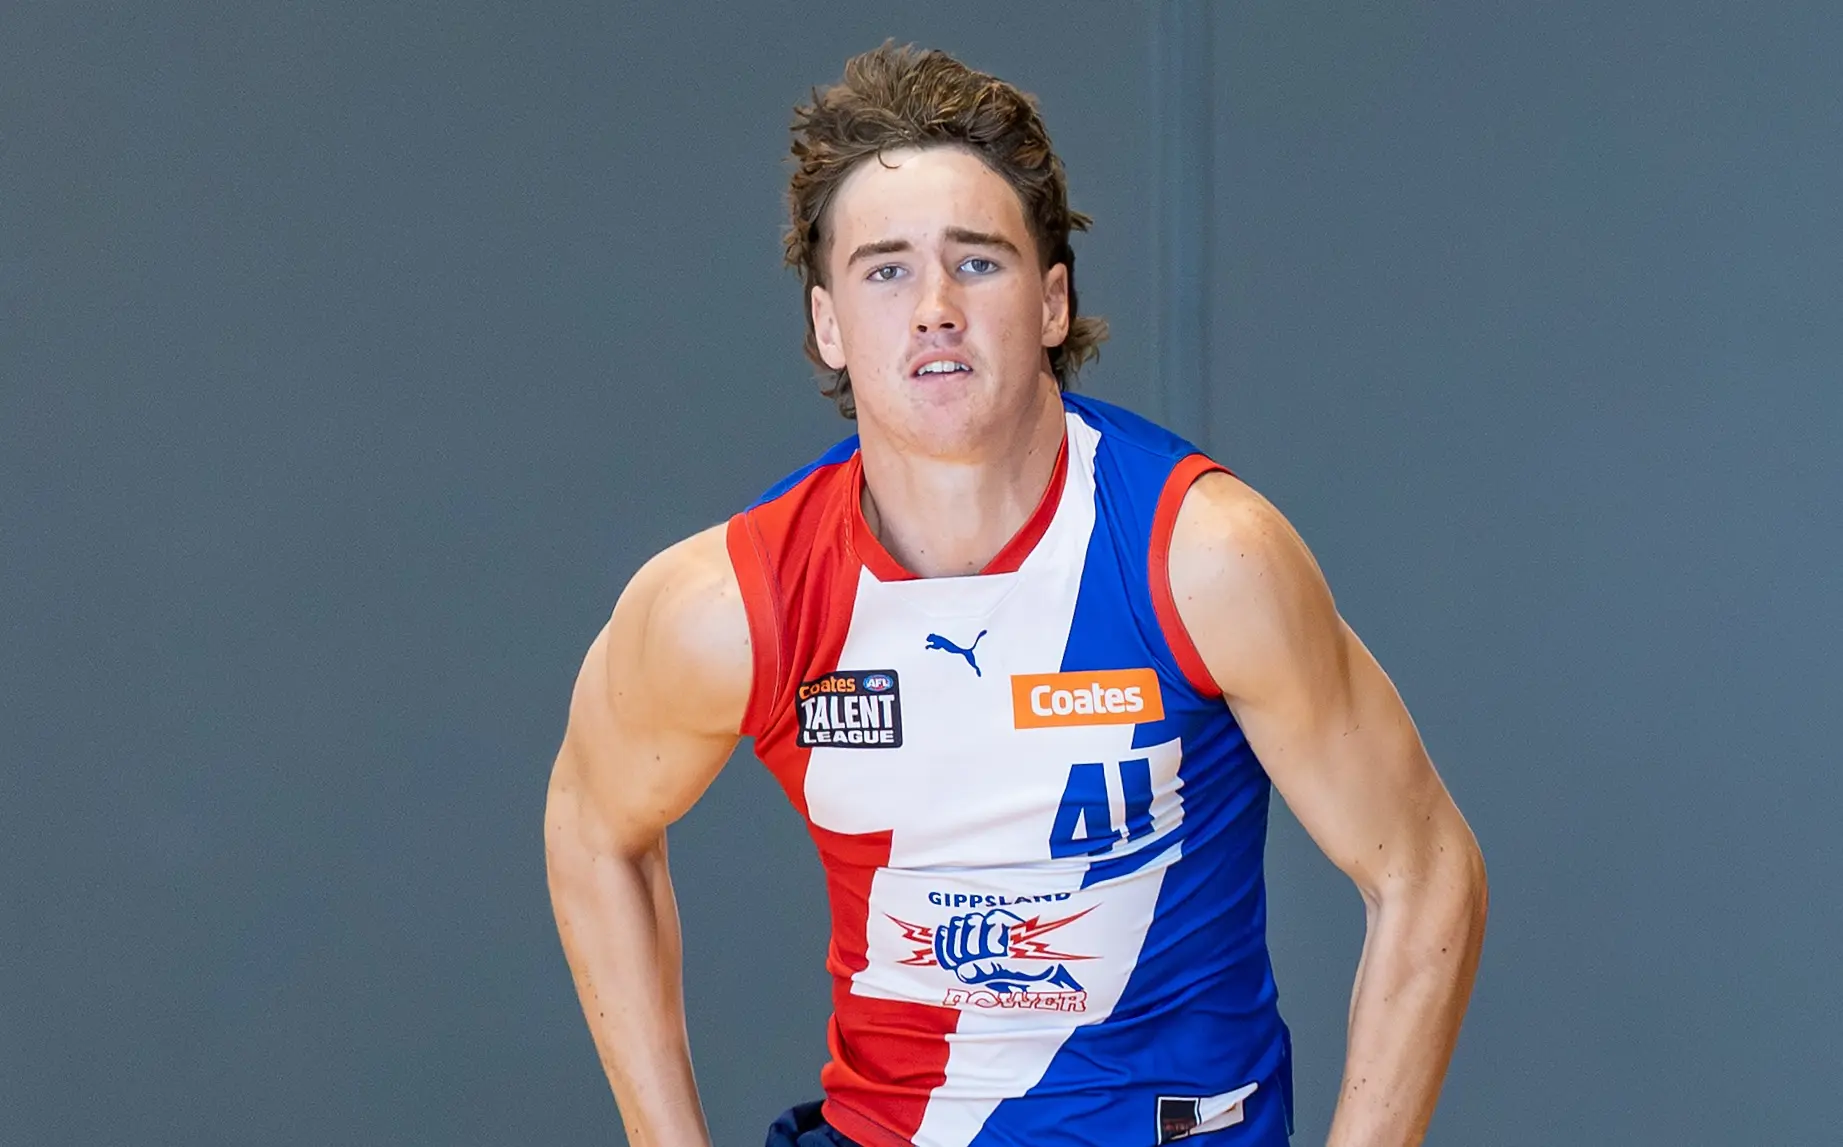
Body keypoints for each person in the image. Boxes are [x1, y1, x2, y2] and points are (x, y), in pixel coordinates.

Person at [545, 42, 1487, 1147]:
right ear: (828, 326)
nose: (934, 306)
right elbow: (591, 824)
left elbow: (1427, 871)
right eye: (886, 268)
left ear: (1050, 301)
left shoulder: (1202, 556)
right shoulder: (730, 601)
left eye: (977, 262)